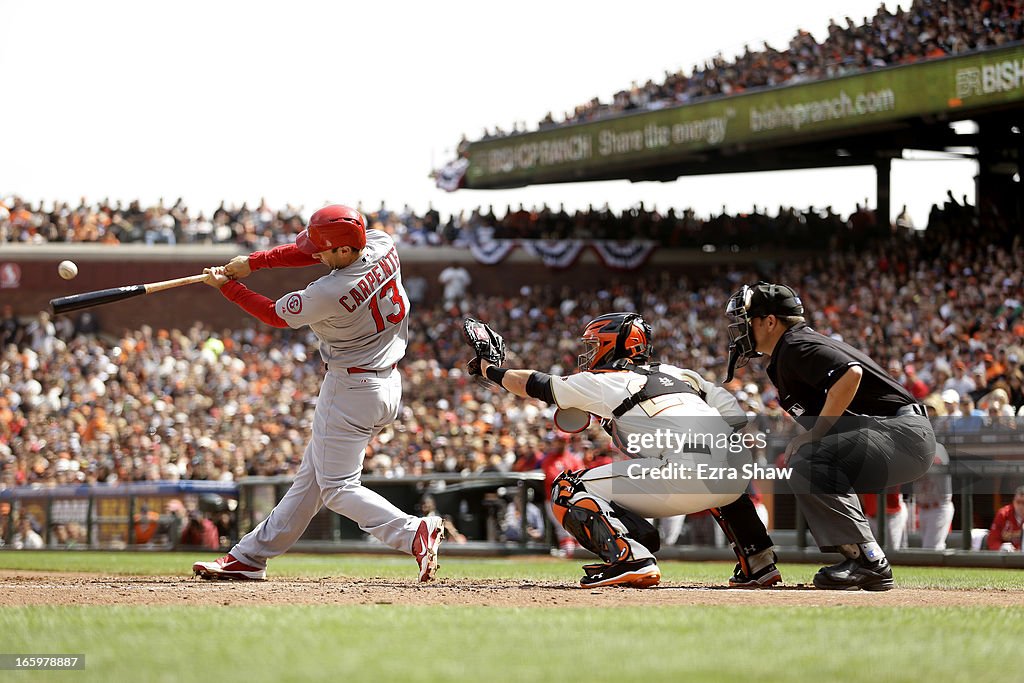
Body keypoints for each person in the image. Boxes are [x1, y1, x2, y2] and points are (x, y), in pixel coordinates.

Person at [192, 204, 444, 582]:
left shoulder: (331, 290)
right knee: (312, 481)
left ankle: (412, 533)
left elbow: (274, 314)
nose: (316, 254)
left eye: (324, 249)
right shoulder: (382, 243)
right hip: (386, 380)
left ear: (344, 251)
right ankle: (249, 557)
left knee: (338, 488)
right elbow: (304, 251)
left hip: (351, 387)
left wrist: (229, 286)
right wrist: (254, 262)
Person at [467, 312, 779, 589]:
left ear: (611, 345)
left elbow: (536, 384)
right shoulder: (679, 374)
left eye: (593, 345)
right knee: (720, 466)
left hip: (683, 473)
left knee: (567, 488)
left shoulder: (608, 381)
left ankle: (632, 558)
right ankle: (760, 563)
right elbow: (734, 417)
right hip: (736, 471)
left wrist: (490, 369)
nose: (589, 354)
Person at [725, 281, 935, 591]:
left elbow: (851, 373)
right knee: (805, 462)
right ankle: (863, 559)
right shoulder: (788, 351)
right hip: (896, 435)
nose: (739, 329)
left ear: (770, 321)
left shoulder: (796, 344)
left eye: (747, 320)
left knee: (809, 459)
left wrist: (817, 434)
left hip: (902, 434)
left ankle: (868, 561)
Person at [986, 486, 1024, 552]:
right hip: (1007, 556)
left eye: (1023, 503)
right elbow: (993, 540)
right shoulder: (1003, 514)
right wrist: (1000, 548)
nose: (1020, 506)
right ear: (1013, 501)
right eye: (1018, 502)